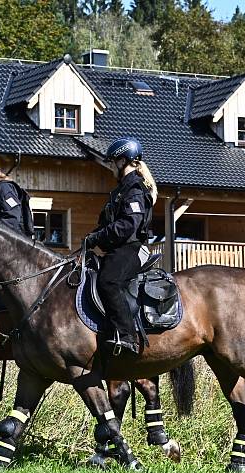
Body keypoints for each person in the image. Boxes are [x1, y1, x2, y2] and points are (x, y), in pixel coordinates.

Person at [83, 137, 157, 356]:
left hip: (132, 248)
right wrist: (92, 237)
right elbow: (107, 224)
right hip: (118, 248)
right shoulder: (120, 190)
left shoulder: (134, 188)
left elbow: (128, 225)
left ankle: (127, 336)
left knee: (108, 281)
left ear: (123, 160)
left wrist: (98, 238)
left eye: (112, 162)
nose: (111, 167)